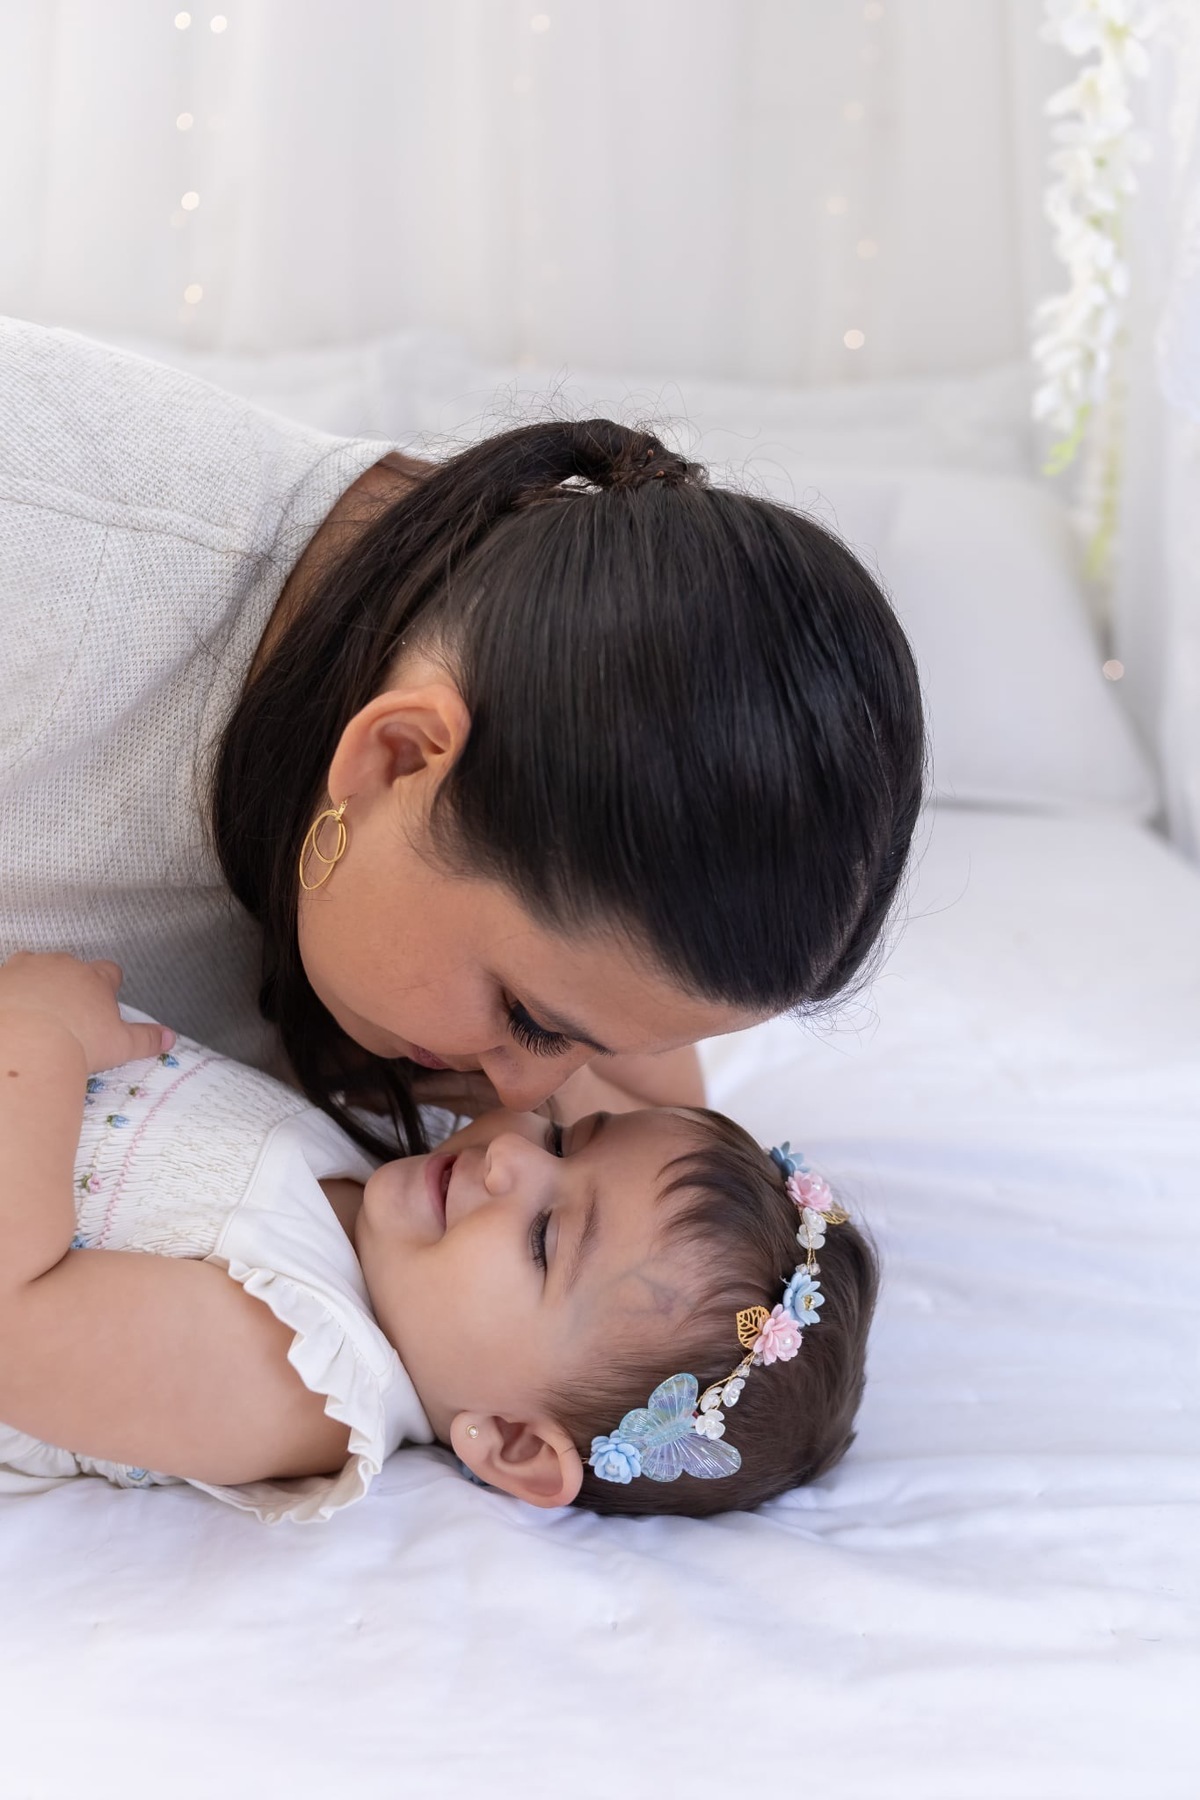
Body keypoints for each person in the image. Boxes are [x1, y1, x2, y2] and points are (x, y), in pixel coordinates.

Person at [0, 317, 923, 1156]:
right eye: (527, 1019)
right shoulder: (48, 558)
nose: (522, 1094)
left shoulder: (413, 914)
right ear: (401, 753)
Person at [0, 953, 877, 1523]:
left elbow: (16, 1331)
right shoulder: (407, 1212)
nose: (509, 1158)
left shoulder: (300, 1375)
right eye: (566, 1142)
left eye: (543, 1241)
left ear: (513, 1442)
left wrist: (33, 1036)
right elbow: (650, 1079)